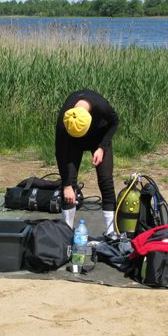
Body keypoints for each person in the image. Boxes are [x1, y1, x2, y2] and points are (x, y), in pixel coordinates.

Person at [55, 89, 119, 235]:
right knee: (69, 186)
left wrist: (102, 147)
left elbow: (115, 122)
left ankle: (110, 232)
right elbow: (60, 153)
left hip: (99, 138)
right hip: (72, 143)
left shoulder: (101, 106)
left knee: (106, 180)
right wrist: (66, 185)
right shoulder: (64, 120)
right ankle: (67, 232)